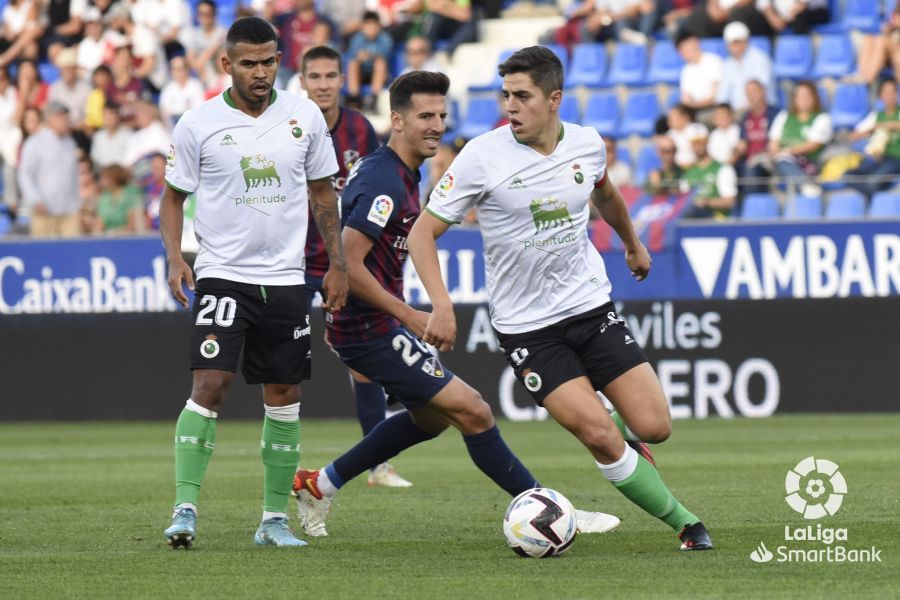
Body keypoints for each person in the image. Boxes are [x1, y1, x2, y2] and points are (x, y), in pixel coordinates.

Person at [292, 70, 622, 540]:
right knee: (473, 411)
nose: (436, 125)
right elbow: (346, 265)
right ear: (397, 120)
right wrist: (410, 315)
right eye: (424, 115)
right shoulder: (384, 181)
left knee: (429, 419)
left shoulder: (398, 171)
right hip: (367, 329)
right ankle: (545, 508)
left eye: (441, 115)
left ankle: (318, 484)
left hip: (375, 325)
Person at [407, 46, 713, 551]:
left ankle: (625, 434)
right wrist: (440, 303)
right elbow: (422, 235)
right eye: (506, 95)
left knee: (655, 428)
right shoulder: (481, 156)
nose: (511, 106)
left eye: (522, 96)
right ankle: (687, 525)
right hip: (528, 329)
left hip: (591, 307)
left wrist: (632, 244)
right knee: (598, 437)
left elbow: (607, 194)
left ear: (554, 99)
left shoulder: (588, 144)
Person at [159, 16, 349, 549]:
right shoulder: (198, 123)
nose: (260, 72)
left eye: (268, 61)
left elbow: (323, 194)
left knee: (284, 395)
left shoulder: (304, 116)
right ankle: (185, 508)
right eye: (249, 63)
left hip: (286, 280)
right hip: (223, 275)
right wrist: (175, 257)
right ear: (227, 65)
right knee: (210, 385)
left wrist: (338, 264)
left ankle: (273, 522)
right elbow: (172, 197)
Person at [299, 45, 412, 487]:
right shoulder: (288, 128)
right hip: (293, 259)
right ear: (303, 81)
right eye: (315, 77)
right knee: (282, 364)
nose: (323, 84)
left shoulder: (360, 129)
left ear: (342, 80)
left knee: (362, 365)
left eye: (331, 76)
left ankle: (377, 466)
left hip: (342, 260)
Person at [18, 101, 82, 238]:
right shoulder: (35, 142)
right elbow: (25, 174)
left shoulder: (70, 143)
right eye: (59, 117)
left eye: (66, 116)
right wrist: (35, 199)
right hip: (44, 210)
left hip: (69, 210)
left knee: (72, 253)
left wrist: (78, 202)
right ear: (49, 119)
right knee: (44, 255)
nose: (64, 121)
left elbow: (74, 175)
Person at [768, 81, 833, 197]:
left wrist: (786, 151)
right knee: (778, 161)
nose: (804, 99)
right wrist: (778, 152)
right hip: (782, 160)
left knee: (783, 159)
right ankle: (805, 186)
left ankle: (806, 186)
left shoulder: (823, 118)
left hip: (810, 162)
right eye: (800, 96)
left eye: (807, 96)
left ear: (814, 98)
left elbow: (813, 144)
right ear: (794, 99)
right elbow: (774, 142)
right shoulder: (784, 116)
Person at [844, 78, 900, 198]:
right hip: (878, 160)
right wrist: (871, 130)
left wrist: (888, 125)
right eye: (887, 93)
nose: (890, 96)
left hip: (896, 159)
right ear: (881, 96)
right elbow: (854, 136)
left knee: (872, 182)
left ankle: (874, 191)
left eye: (893, 92)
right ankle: (877, 190)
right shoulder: (876, 115)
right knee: (849, 175)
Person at [681, 123, 738, 219]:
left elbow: (730, 201)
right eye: (694, 143)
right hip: (692, 218)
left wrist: (707, 202)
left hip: (716, 218)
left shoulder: (723, 169)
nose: (698, 146)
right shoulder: (688, 173)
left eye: (701, 142)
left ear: (707, 142)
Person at [716, 21, 775, 113]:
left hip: (759, 109)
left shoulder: (760, 58)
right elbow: (723, 93)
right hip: (734, 112)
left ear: (746, 41)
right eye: (732, 43)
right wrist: (722, 109)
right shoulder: (727, 63)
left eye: (738, 42)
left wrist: (744, 108)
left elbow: (760, 88)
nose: (735, 46)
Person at [346, 11, 393, 111]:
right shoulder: (357, 38)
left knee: (380, 63)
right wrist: (359, 57)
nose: (371, 30)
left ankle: (373, 98)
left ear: (379, 26)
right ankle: (354, 98)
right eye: (368, 27)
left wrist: (370, 56)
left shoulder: (385, 38)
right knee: (353, 63)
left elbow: (386, 54)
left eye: (373, 26)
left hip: (379, 74)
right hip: (362, 72)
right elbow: (352, 55)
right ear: (363, 27)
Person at [676, 29, 723, 113]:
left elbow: (716, 96)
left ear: (694, 42)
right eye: (679, 49)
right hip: (694, 109)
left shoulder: (713, 61)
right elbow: (685, 97)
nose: (682, 52)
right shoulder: (686, 70)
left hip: (713, 108)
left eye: (683, 46)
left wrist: (696, 105)